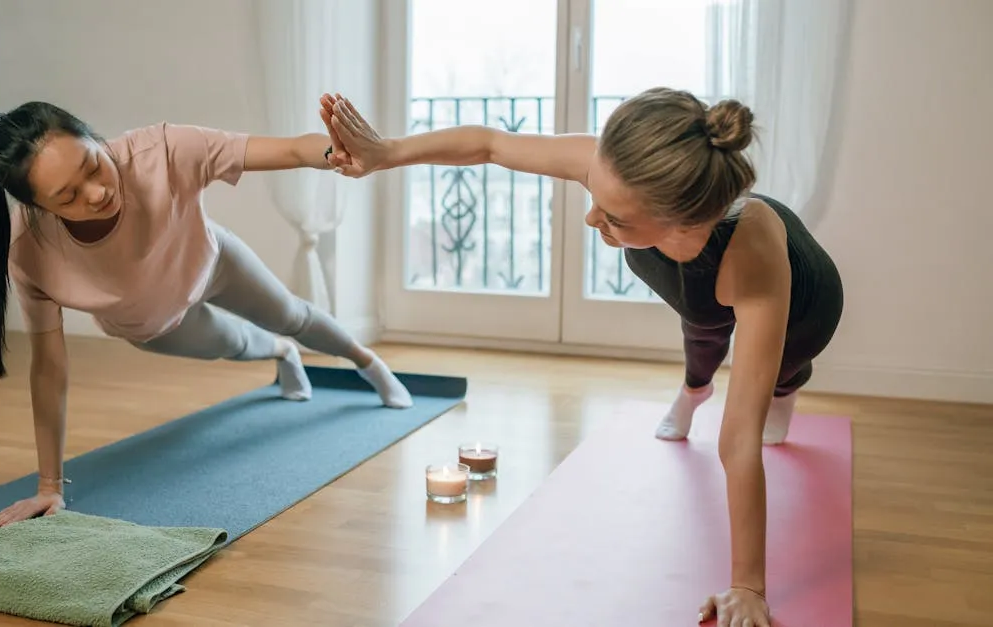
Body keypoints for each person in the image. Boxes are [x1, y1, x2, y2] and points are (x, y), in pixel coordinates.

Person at [317, 88, 843, 627]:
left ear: (682, 223)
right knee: (702, 326)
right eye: (596, 194)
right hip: (701, 281)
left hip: (807, 303)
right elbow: (491, 144)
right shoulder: (623, 170)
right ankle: (693, 389)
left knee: (778, 372)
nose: (591, 218)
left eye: (614, 216)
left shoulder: (751, 258)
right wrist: (386, 152)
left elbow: (736, 439)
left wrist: (747, 587)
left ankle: (788, 387)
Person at [0, 101, 414, 531]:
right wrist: (48, 486)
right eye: (69, 196)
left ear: (96, 139)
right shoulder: (30, 252)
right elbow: (49, 367)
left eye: (94, 166)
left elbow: (291, 148)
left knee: (292, 314)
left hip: (211, 261)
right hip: (153, 322)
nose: (97, 193)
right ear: (40, 209)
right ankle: (282, 354)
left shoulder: (159, 150)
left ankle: (368, 362)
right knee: (234, 344)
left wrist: (338, 151)